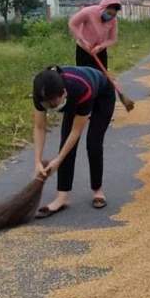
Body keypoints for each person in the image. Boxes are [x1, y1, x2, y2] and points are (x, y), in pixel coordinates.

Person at [33, 65, 116, 218]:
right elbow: (39, 127)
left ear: (63, 92)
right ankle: (62, 197)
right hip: (73, 99)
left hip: (103, 94)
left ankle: (97, 190)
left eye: (55, 104)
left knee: (94, 143)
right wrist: (37, 161)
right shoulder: (40, 92)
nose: (52, 107)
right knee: (65, 143)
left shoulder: (80, 87)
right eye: (49, 105)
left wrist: (58, 160)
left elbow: (76, 131)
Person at [69, 0, 122, 70]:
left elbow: (112, 39)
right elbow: (73, 24)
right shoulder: (88, 12)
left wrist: (101, 46)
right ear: (103, 8)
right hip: (84, 50)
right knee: (85, 76)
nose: (110, 17)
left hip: (100, 51)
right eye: (109, 13)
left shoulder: (113, 20)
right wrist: (82, 40)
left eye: (113, 15)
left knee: (102, 76)